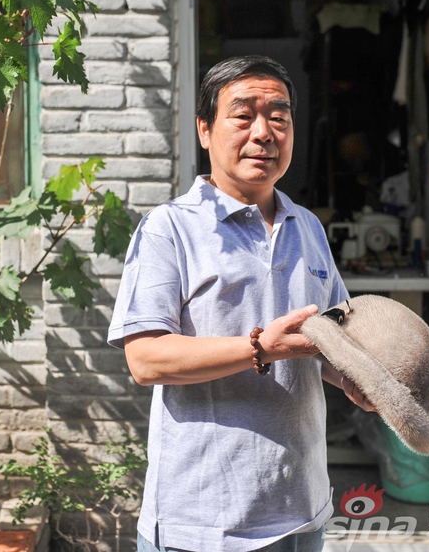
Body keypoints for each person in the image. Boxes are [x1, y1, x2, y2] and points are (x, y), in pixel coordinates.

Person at [107, 56, 373, 552]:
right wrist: (260, 348)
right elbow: (145, 360)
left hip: (303, 512)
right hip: (203, 523)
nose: (264, 132)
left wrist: (363, 380)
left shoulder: (308, 227)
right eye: (243, 115)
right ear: (205, 131)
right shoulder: (170, 228)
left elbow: (329, 343)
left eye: (279, 116)